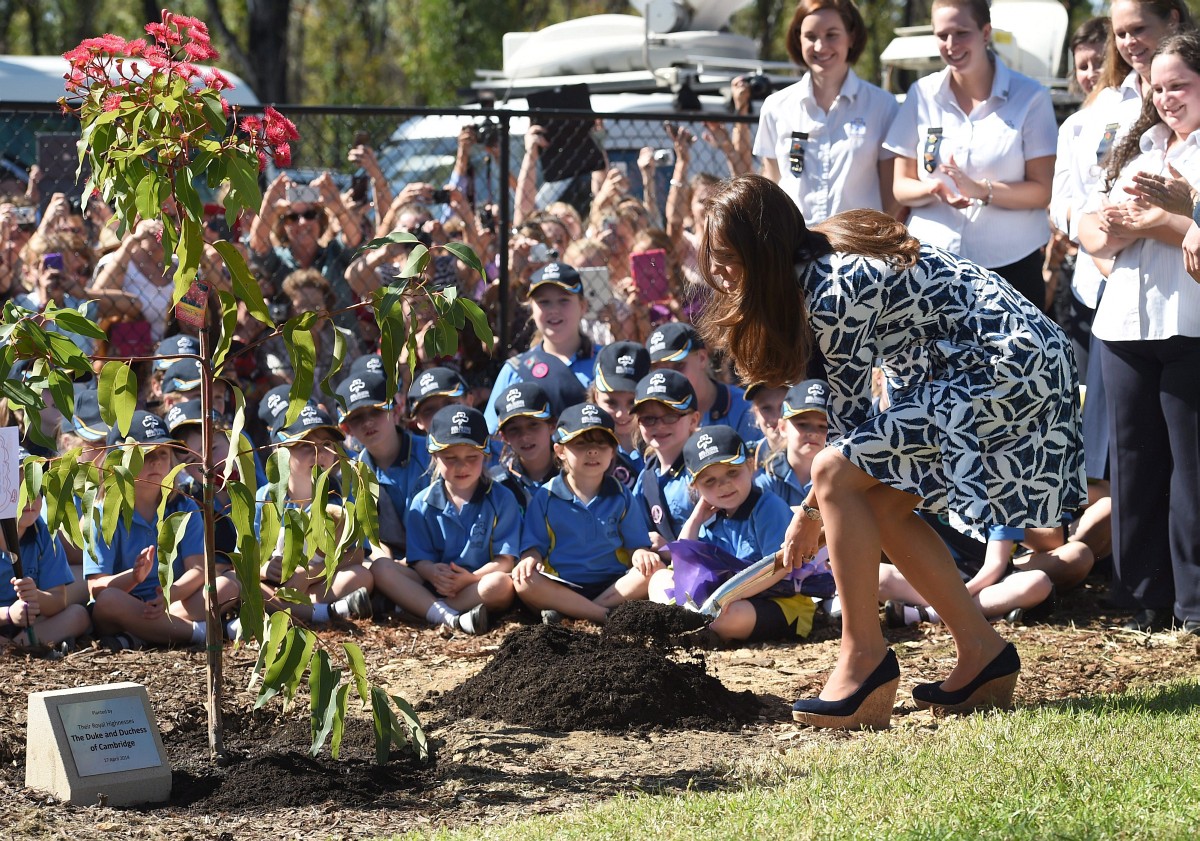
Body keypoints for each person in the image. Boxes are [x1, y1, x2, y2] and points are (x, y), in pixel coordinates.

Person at [699, 174, 1085, 728]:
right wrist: (817, 511)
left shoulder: (832, 292)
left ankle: (864, 659)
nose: (718, 273)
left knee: (838, 473)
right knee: (880, 504)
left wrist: (809, 515)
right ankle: (983, 651)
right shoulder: (811, 269)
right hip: (966, 363)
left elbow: (851, 437)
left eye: (727, 257)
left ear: (762, 252)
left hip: (1004, 365)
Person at [1077, 32, 1200, 634]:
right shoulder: (1141, 147)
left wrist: (1166, 220)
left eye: (1181, 84)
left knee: (1191, 466)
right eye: (1160, 85)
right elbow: (1095, 234)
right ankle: (1141, 598)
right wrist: (1147, 225)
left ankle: (1194, 604)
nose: (1167, 97)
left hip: (1191, 323)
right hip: (1125, 322)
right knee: (1132, 463)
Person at [884, 0, 1058, 308]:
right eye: (942, 35)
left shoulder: (1030, 97)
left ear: (985, 32)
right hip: (933, 267)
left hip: (1011, 268)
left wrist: (982, 190)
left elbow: (1042, 191)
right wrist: (932, 188)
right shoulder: (921, 94)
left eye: (961, 32)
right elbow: (901, 185)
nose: (951, 45)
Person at [86, 411, 241, 649]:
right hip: (126, 607)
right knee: (108, 601)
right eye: (146, 455)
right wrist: (133, 577)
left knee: (228, 583)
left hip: (172, 603)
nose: (157, 462)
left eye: (163, 454)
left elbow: (198, 569)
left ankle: (141, 637)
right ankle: (201, 632)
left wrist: (169, 594)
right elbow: (95, 587)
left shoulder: (184, 505)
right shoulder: (103, 513)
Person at [649, 426, 815, 643]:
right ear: (695, 486)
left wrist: (725, 598)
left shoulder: (767, 506)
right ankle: (690, 627)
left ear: (750, 466)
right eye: (709, 481)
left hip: (778, 601)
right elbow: (682, 568)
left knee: (726, 618)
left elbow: (779, 568)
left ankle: (699, 630)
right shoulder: (709, 512)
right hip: (720, 601)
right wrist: (695, 520)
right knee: (658, 579)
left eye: (732, 472)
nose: (723, 485)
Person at [513, 403, 664, 624]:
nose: (592, 451)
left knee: (655, 569)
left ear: (612, 451)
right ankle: (604, 616)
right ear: (560, 451)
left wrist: (641, 553)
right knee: (523, 581)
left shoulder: (621, 495)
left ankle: (573, 614)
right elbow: (534, 547)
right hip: (561, 584)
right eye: (581, 444)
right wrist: (529, 558)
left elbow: (635, 545)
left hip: (613, 584)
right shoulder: (545, 497)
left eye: (602, 444)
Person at [753, 0, 901, 222]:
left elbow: (891, 196)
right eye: (811, 36)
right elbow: (772, 184)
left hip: (860, 248)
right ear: (798, 39)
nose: (820, 47)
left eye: (832, 35)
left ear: (851, 37)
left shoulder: (883, 106)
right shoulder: (776, 107)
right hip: (795, 248)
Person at [402, 405, 522, 634]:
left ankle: (430, 611)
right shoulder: (421, 501)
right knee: (383, 569)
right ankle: (451, 616)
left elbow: (506, 560)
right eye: (450, 457)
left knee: (499, 584)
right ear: (434, 455)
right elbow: (418, 559)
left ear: (485, 456)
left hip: (478, 583)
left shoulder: (502, 498)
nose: (462, 466)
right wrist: (433, 573)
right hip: (437, 584)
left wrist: (470, 578)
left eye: (472, 457)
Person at [253, 406, 374, 626]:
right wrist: (264, 569)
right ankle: (325, 612)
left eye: (326, 445)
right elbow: (246, 556)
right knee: (239, 583)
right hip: (274, 587)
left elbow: (356, 555)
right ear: (279, 452)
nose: (318, 453)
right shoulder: (265, 498)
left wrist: (308, 574)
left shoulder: (342, 495)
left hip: (319, 584)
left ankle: (293, 613)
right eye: (305, 445)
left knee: (361, 576)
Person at [483, 261, 595, 432]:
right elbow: (491, 436)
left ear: (583, 306)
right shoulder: (515, 370)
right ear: (531, 309)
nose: (554, 310)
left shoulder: (604, 362)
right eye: (544, 302)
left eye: (563, 300)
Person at [1, 452, 91, 649]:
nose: (30, 500)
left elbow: (58, 601)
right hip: (5, 615)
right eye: (19, 492)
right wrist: (8, 613)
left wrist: (36, 596)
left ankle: (14, 647)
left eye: (35, 489)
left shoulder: (43, 532)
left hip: (29, 625)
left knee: (78, 615)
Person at [645, 322, 760, 443]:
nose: (670, 377)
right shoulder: (647, 415)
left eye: (679, 365)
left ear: (702, 358)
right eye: (660, 370)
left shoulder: (742, 408)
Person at [630, 370, 701, 552]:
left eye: (670, 416)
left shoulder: (704, 470)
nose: (659, 426)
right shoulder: (646, 476)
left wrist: (669, 550)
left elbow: (722, 541)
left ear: (693, 420)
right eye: (648, 419)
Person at [755, 379, 830, 507]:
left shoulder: (841, 479)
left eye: (823, 426)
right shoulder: (767, 480)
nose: (813, 432)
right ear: (782, 427)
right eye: (802, 424)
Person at [590, 340, 650, 485]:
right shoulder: (584, 447)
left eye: (632, 402)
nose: (621, 414)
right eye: (611, 402)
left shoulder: (664, 440)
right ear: (596, 396)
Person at [491, 381, 558, 508]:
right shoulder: (495, 484)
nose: (524, 436)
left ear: (552, 425)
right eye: (514, 429)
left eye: (533, 424)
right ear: (504, 437)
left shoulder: (574, 475)